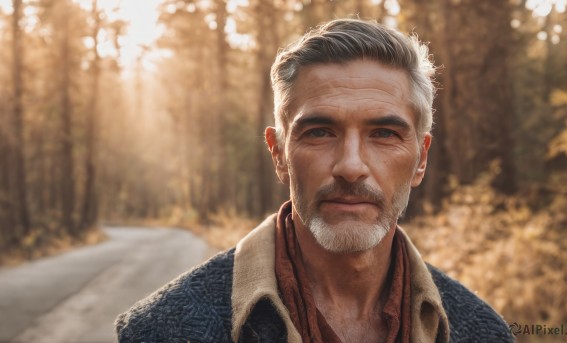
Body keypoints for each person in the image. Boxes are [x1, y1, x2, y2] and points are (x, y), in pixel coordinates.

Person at [115, 19, 514, 343]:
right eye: (320, 132)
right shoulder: (160, 331)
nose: (351, 166)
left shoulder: (483, 332)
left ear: (421, 159)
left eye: (384, 134)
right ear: (278, 153)